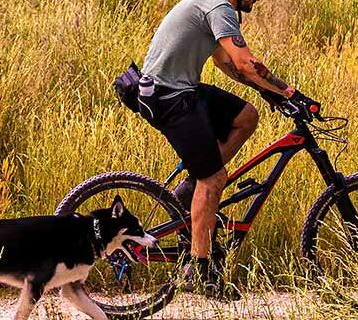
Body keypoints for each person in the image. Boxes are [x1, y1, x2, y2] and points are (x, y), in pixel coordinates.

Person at [134, 0, 318, 301]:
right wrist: (289, 93)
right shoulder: (217, 7)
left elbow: (226, 63)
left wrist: (267, 92)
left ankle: (193, 191)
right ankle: (199, 268)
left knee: (247, 116)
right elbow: (246, 63)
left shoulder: (213, 6)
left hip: (180, 90)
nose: (256, 0)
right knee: (215, 179)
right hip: (169, 98)